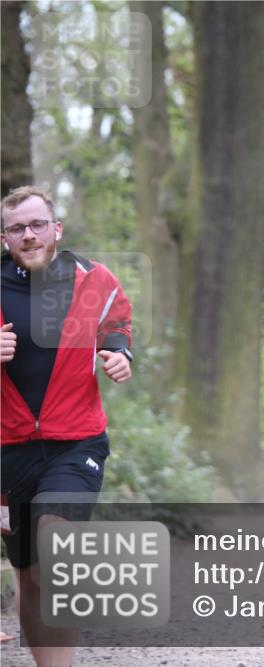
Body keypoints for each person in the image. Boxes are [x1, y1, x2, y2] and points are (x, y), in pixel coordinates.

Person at [1, 186, 134, 667]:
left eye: (38, 225)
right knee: (31, 578)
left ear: (57, 229)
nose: (29, 235)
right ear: (5, 237)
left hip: (75, 442)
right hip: (8, 450)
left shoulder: (94, 278)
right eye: (18, 228)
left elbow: (117, 322)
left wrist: (119, 354)